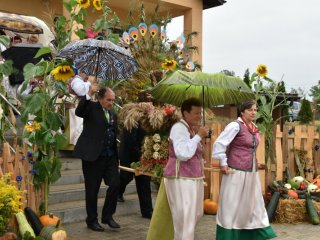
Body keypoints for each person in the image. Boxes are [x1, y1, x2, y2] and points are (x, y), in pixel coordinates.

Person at [212, 100, 277, 240]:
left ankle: (251, 234)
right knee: (231, 204)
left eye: (255, 109)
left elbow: (251, 148)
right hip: (235, 172)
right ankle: (227, 236)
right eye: (250, 110)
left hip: (251, 173)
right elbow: (219, 144)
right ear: (242, 112)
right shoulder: (235, 126)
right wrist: (224, 163)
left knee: (252, 204)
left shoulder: (253, 127)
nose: (253, 112)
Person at [147, 98, 210, 240]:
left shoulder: (190, 130)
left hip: (192, 177)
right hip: (181, 177)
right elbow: (182, 154)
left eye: (200, 113)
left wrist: (199, 138)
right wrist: (199, 136)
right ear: (185, 113)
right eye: (196, 113)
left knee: (195, 214)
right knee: (185, 217)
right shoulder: (179, 128)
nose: (199, 116)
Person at [73, 87, 120, 231]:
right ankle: (91, 220)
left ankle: (107, 216)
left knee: (115, 183)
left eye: (113, 100)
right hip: (93, 157)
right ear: (100, 98)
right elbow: (79, 111)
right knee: (92, 190)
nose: (111, 102)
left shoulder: (113, 114)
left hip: (110, 156)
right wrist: (89, 93)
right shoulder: (91, 108)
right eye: (108, 100)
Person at [118, 124, 153, 219]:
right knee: (125, 177)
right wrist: (140, 155)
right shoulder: (132, 119)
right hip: (128, 155)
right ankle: (118, 192)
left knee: (144, 182)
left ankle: (147, 211)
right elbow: (130, 141)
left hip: (143, 156)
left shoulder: (149, 118)